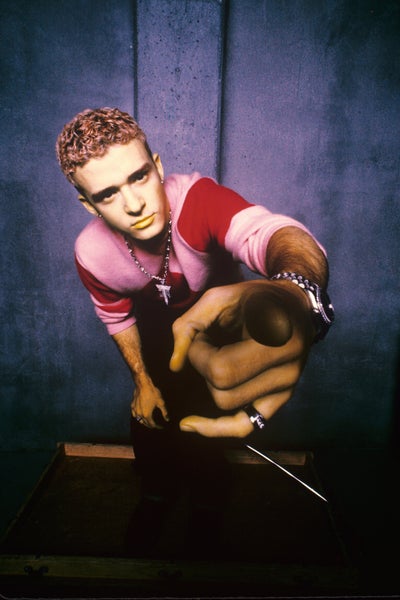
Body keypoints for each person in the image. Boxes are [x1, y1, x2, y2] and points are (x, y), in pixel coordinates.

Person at [56, 107, 334, 556]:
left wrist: (295, 293)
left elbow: (270, 232)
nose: (134, 204)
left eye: (139, 177)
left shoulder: (197, 200)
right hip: (154, 331)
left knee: (205, 426)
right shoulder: (91, 252)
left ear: (158, 167)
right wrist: (142, 382)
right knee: (149, 421)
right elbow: (115, 316)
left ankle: (207, 505)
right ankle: (155, 496)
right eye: (108, 194)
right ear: (89, 204)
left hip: (217, 323)